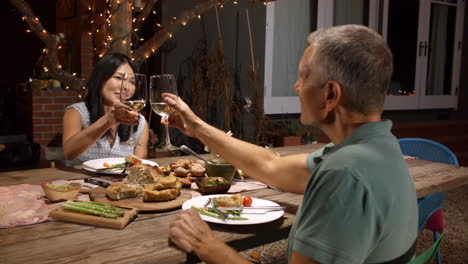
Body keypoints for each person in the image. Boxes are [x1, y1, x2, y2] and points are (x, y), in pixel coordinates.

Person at [166, 25, 418, 264]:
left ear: (330, 94)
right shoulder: (376, 146)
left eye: (304, 76)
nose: (296, 86)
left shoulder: (344, 173)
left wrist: (206, 245)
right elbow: (271, 166)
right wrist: (196, 126)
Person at [62, 53, 149, 165]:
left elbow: (138, 166)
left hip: (120, 182)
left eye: (132, 81)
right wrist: (107, 120)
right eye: (118, 78)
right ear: (101, 79)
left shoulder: (139, 122)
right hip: (79, 180)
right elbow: (68, 153)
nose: (126, 87)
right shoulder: (78, 112)